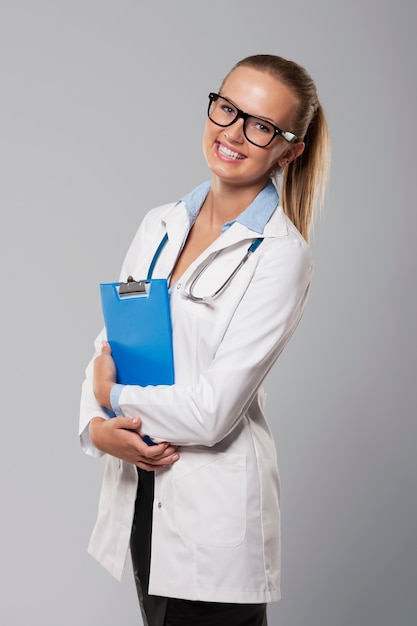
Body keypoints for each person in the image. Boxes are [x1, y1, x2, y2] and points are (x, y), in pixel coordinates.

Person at [79, 53, 330, 626]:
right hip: (145, 499)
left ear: (289, 150)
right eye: (227, 109)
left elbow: (214, 411)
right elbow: (107, 350)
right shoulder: (159, 224)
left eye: (261, 125)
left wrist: (114, 403)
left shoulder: (281, 256)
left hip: (212, 518)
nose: (233, 133)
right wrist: (96, 430)